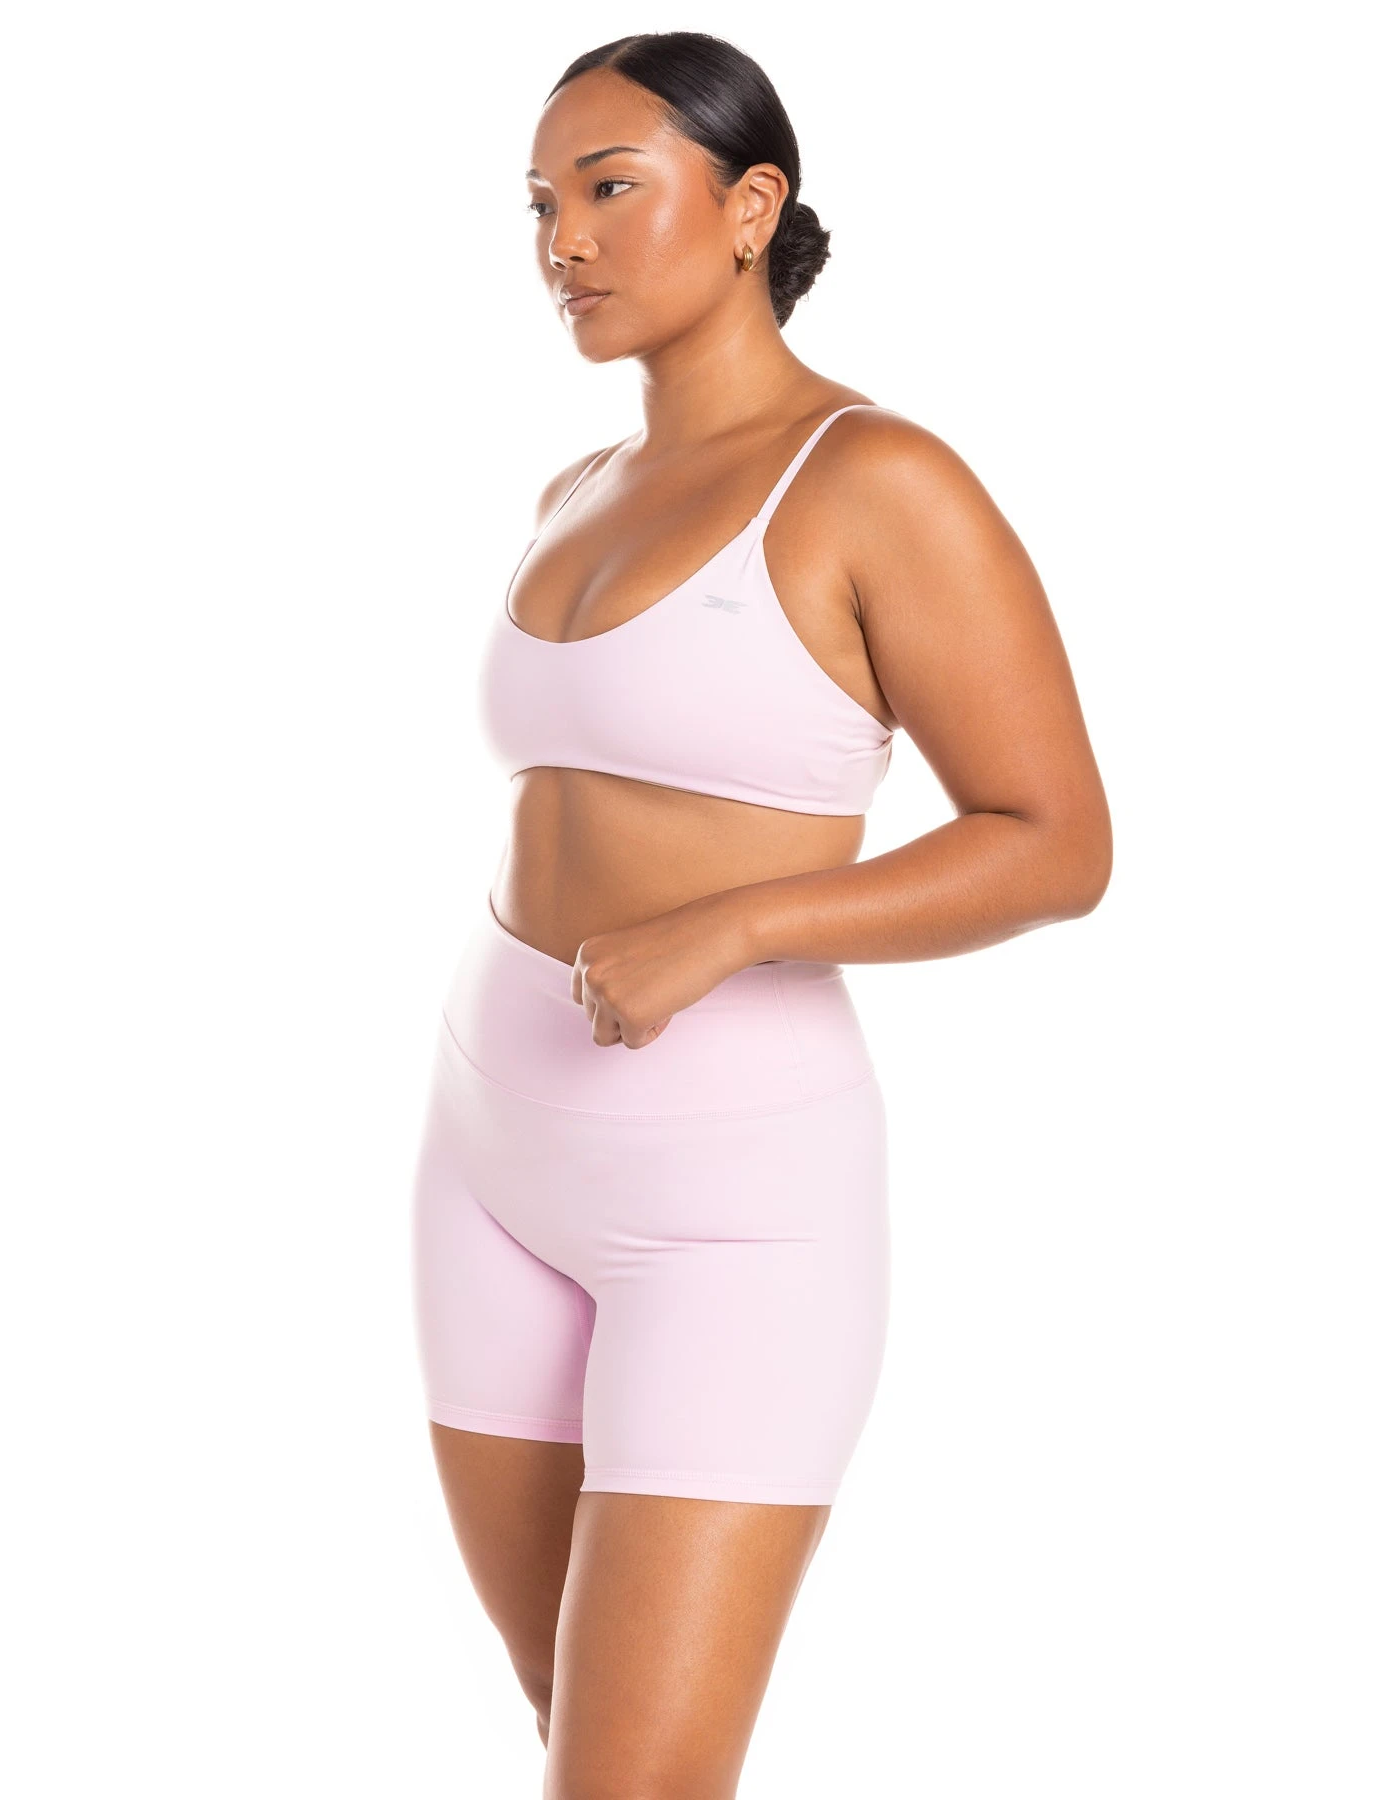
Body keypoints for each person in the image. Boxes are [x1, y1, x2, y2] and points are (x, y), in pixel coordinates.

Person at [411, 30, 1111, 1797]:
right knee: (578, 1738)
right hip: (489, 1156)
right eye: (538, 204)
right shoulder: (572, 495)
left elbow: (1055, 842)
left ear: (751, 206)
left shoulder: (877, 480)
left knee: (633, 1779)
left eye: (610, 189)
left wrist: (733, 929)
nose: (563, 241)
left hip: (732, 1205)